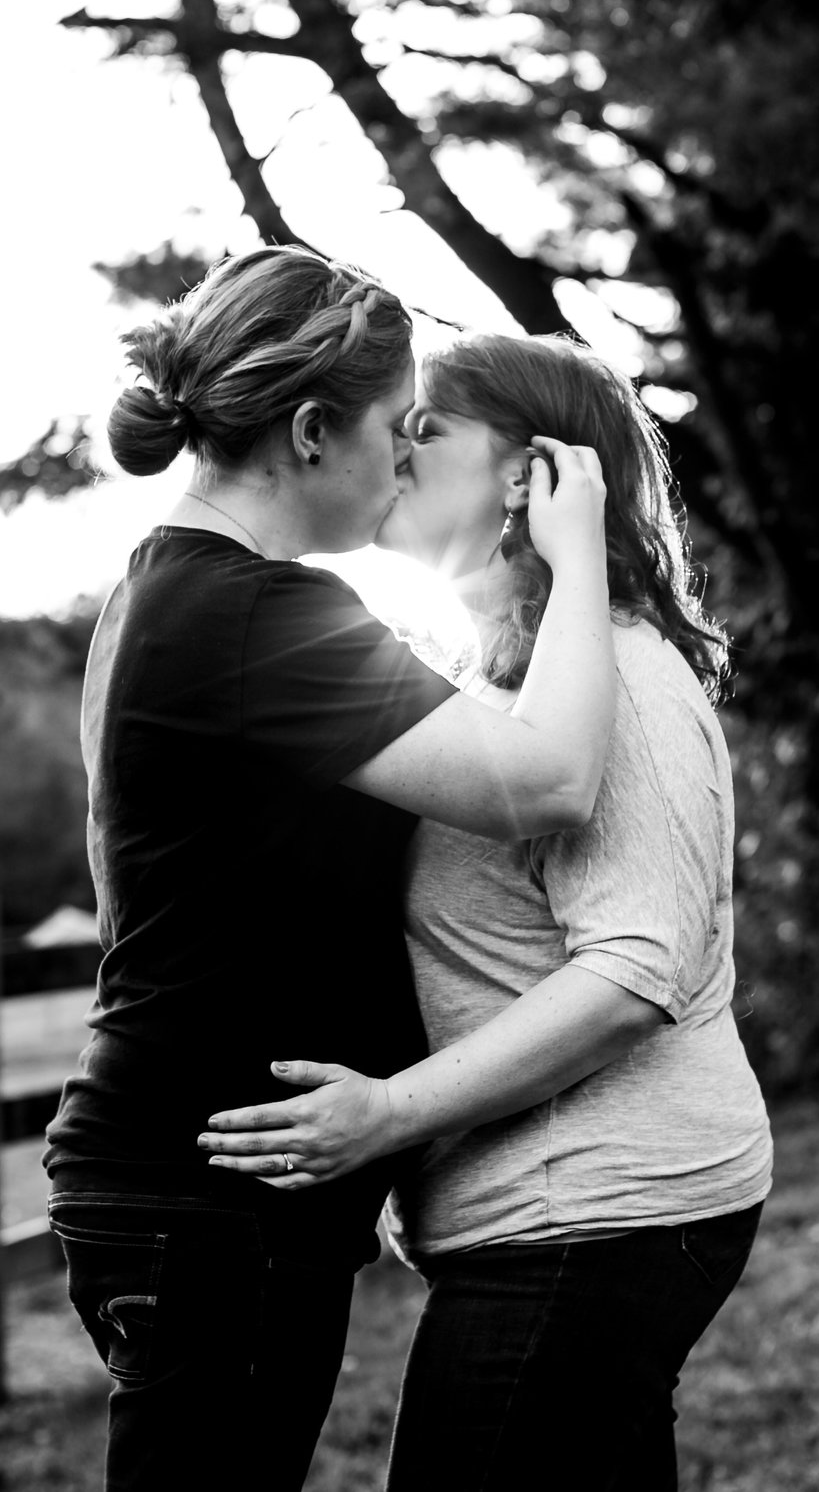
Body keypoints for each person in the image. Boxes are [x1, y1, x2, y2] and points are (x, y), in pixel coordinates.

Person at [41, 247, 620, 1492]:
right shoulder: (260, 613)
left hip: (193, 1177)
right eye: (393, 429)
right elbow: (552, 782)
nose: (408, 461)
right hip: (217, 1191)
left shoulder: (163, 584)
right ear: (310, 431)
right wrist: (582, 562)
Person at [200, 331, 773, 1492]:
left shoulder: (623, 677)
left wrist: (388, 1113)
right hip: (560, 1215)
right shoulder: (504, 688)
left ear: (533, 472)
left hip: (602, 1213)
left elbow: (634, 971)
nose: (392, 451)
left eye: (427, 429)